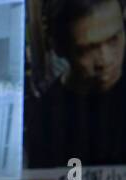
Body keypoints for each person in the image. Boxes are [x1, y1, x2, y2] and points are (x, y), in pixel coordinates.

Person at [28, 0, 126, 168]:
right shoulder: (46, 119)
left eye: (113, 40)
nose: (105, 59)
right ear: (60, 48)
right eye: (87, 49)